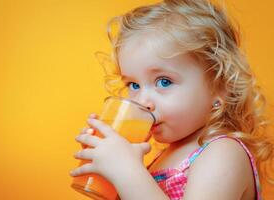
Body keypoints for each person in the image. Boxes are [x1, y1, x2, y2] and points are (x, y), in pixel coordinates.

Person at [70, 0, 274, 199]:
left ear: (220, 87)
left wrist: (126, 171)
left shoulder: (224, 153)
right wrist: (109, 172)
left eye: (164, 82)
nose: (142, 101)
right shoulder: (162, 159)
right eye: (133, 85)